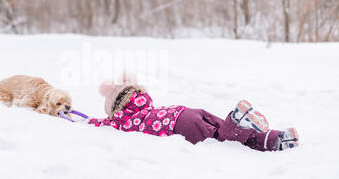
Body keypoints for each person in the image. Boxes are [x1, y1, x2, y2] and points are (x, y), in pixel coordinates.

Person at [87, 75, 299, 152]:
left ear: (115, 109)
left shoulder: (121, 120)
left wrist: (90, 121)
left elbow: (102, 123)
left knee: (222, 138)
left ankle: (238, 120)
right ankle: (276, 139)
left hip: (180, 125)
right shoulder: (146, 106)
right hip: (187, 112)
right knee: (222, 128)